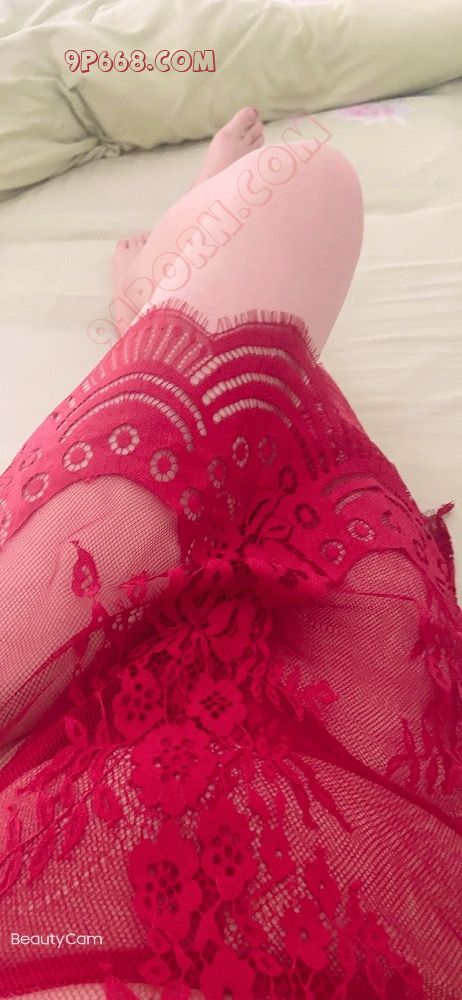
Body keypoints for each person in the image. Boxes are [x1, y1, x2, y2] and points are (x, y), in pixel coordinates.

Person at [0, 110, 460, 1000]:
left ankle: (158, 300)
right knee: (305, 201)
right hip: (344, 743)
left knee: (303, 192)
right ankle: (158, 298)